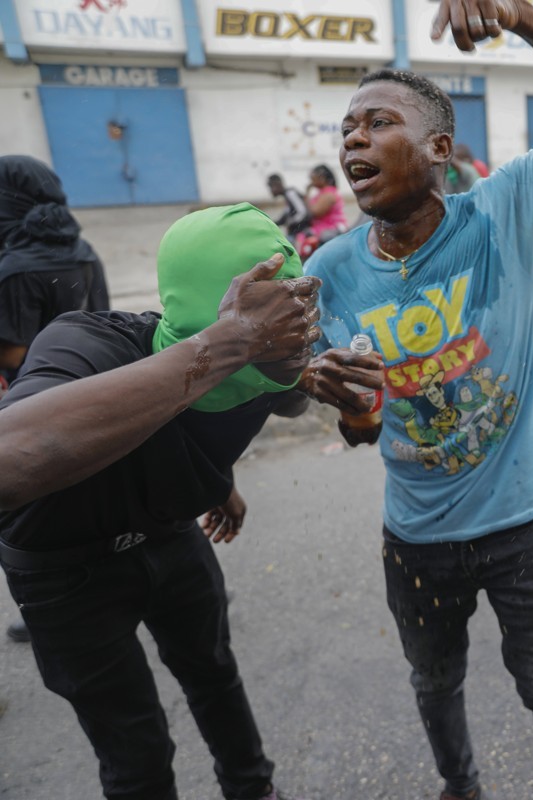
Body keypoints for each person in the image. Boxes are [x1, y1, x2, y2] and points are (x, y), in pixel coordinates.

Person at [299, 3, 533, 798]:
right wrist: (352, 414)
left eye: (376, 122)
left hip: (524, 522)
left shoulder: (505, 210)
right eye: (345, 130)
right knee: (433, 684)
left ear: (438, 149)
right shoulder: (327, 273)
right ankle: (462, 786)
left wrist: (519, 15)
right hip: (415, 538)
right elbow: (353, 427)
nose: (351, 140)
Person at [0, 202, 322, 800]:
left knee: (215, 676)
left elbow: (276, 395)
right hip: (67, 572)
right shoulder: (87, 344)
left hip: (170, 534)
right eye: (260, 318)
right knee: (137, 747)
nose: (291, 327)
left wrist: (217, 477)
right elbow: (12, 458)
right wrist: (232, 344)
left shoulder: (269, 358)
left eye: (294, 306)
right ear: (215, 321)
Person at [0, 155, 112, 645]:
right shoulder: (82, 248)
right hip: (93, 391)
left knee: (40, 517)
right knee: (95, 501)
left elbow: (13, 348)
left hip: (33, 407)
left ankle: (47, 602)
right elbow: (106, 317)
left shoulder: (15, 267)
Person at [267, 173, 312, 238]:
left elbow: (302, 212)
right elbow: (283, 218)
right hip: (296, 232)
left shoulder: (290, 193)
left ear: (278, 184)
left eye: (271, 187)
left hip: (302, 232)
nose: (271, 191)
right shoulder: (286, 196)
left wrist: (290, 222)